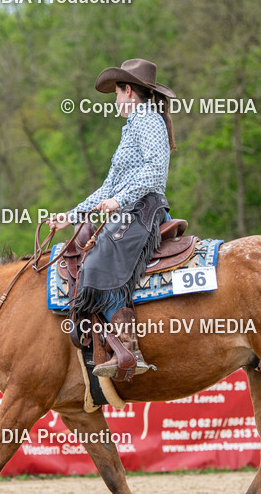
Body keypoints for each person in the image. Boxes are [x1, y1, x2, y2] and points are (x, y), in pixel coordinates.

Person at [48, 59, 177, 380]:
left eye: (117, 92)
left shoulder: (147, 120)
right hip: (128, 208)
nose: (115, 100)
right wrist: (72, 215)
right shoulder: (134, 125)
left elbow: (154, 170)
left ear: (129, 91)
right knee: (87, 250)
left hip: (143, 208)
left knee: (100, 261)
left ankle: (127, 346)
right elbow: (108, 187)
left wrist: (120, 199)